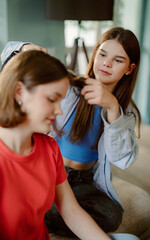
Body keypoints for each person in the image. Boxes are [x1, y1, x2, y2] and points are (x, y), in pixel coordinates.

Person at [0, 27, 141, 238]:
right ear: (94, 55)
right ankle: (44, 212)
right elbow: (13, 69)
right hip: (57, 170)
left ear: (129, 68)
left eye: (118, 60)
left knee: (111, 215)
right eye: (102, 54)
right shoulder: (72, 87)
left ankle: (45, 214)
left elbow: (122, 160)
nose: (107, 63)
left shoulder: (124, 112)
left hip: (82, 180)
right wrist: (24, 48)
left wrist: (112, 109)